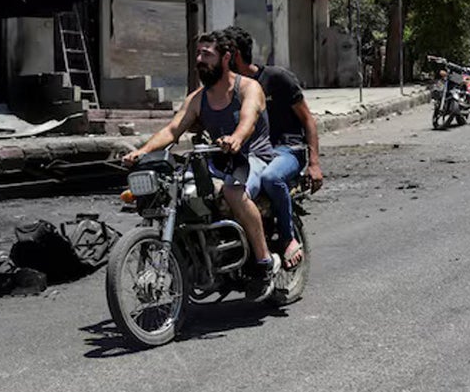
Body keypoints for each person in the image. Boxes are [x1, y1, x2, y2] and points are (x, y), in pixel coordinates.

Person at [123, 30, 282, 298]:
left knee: (232, 192)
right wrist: (142, 151)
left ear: (226, 58)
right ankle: (197, 258)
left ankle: (265, 262)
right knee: (176, 192)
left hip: (253, 157)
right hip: (215, 160)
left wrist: (236, 138)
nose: (200, 59)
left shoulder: (247, 88)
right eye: (198, 54)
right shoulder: (198, 98)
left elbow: (248, 120)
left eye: (207, 54)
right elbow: (172, 130)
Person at [222, 25, 322, 270]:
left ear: (234, 55)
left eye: (223, 54)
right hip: (254, 153)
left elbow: (308, 119)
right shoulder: (229, 88)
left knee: (270, 177)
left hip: (288, 149)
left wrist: (315, 163)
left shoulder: (277, 79)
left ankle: (288, 238)